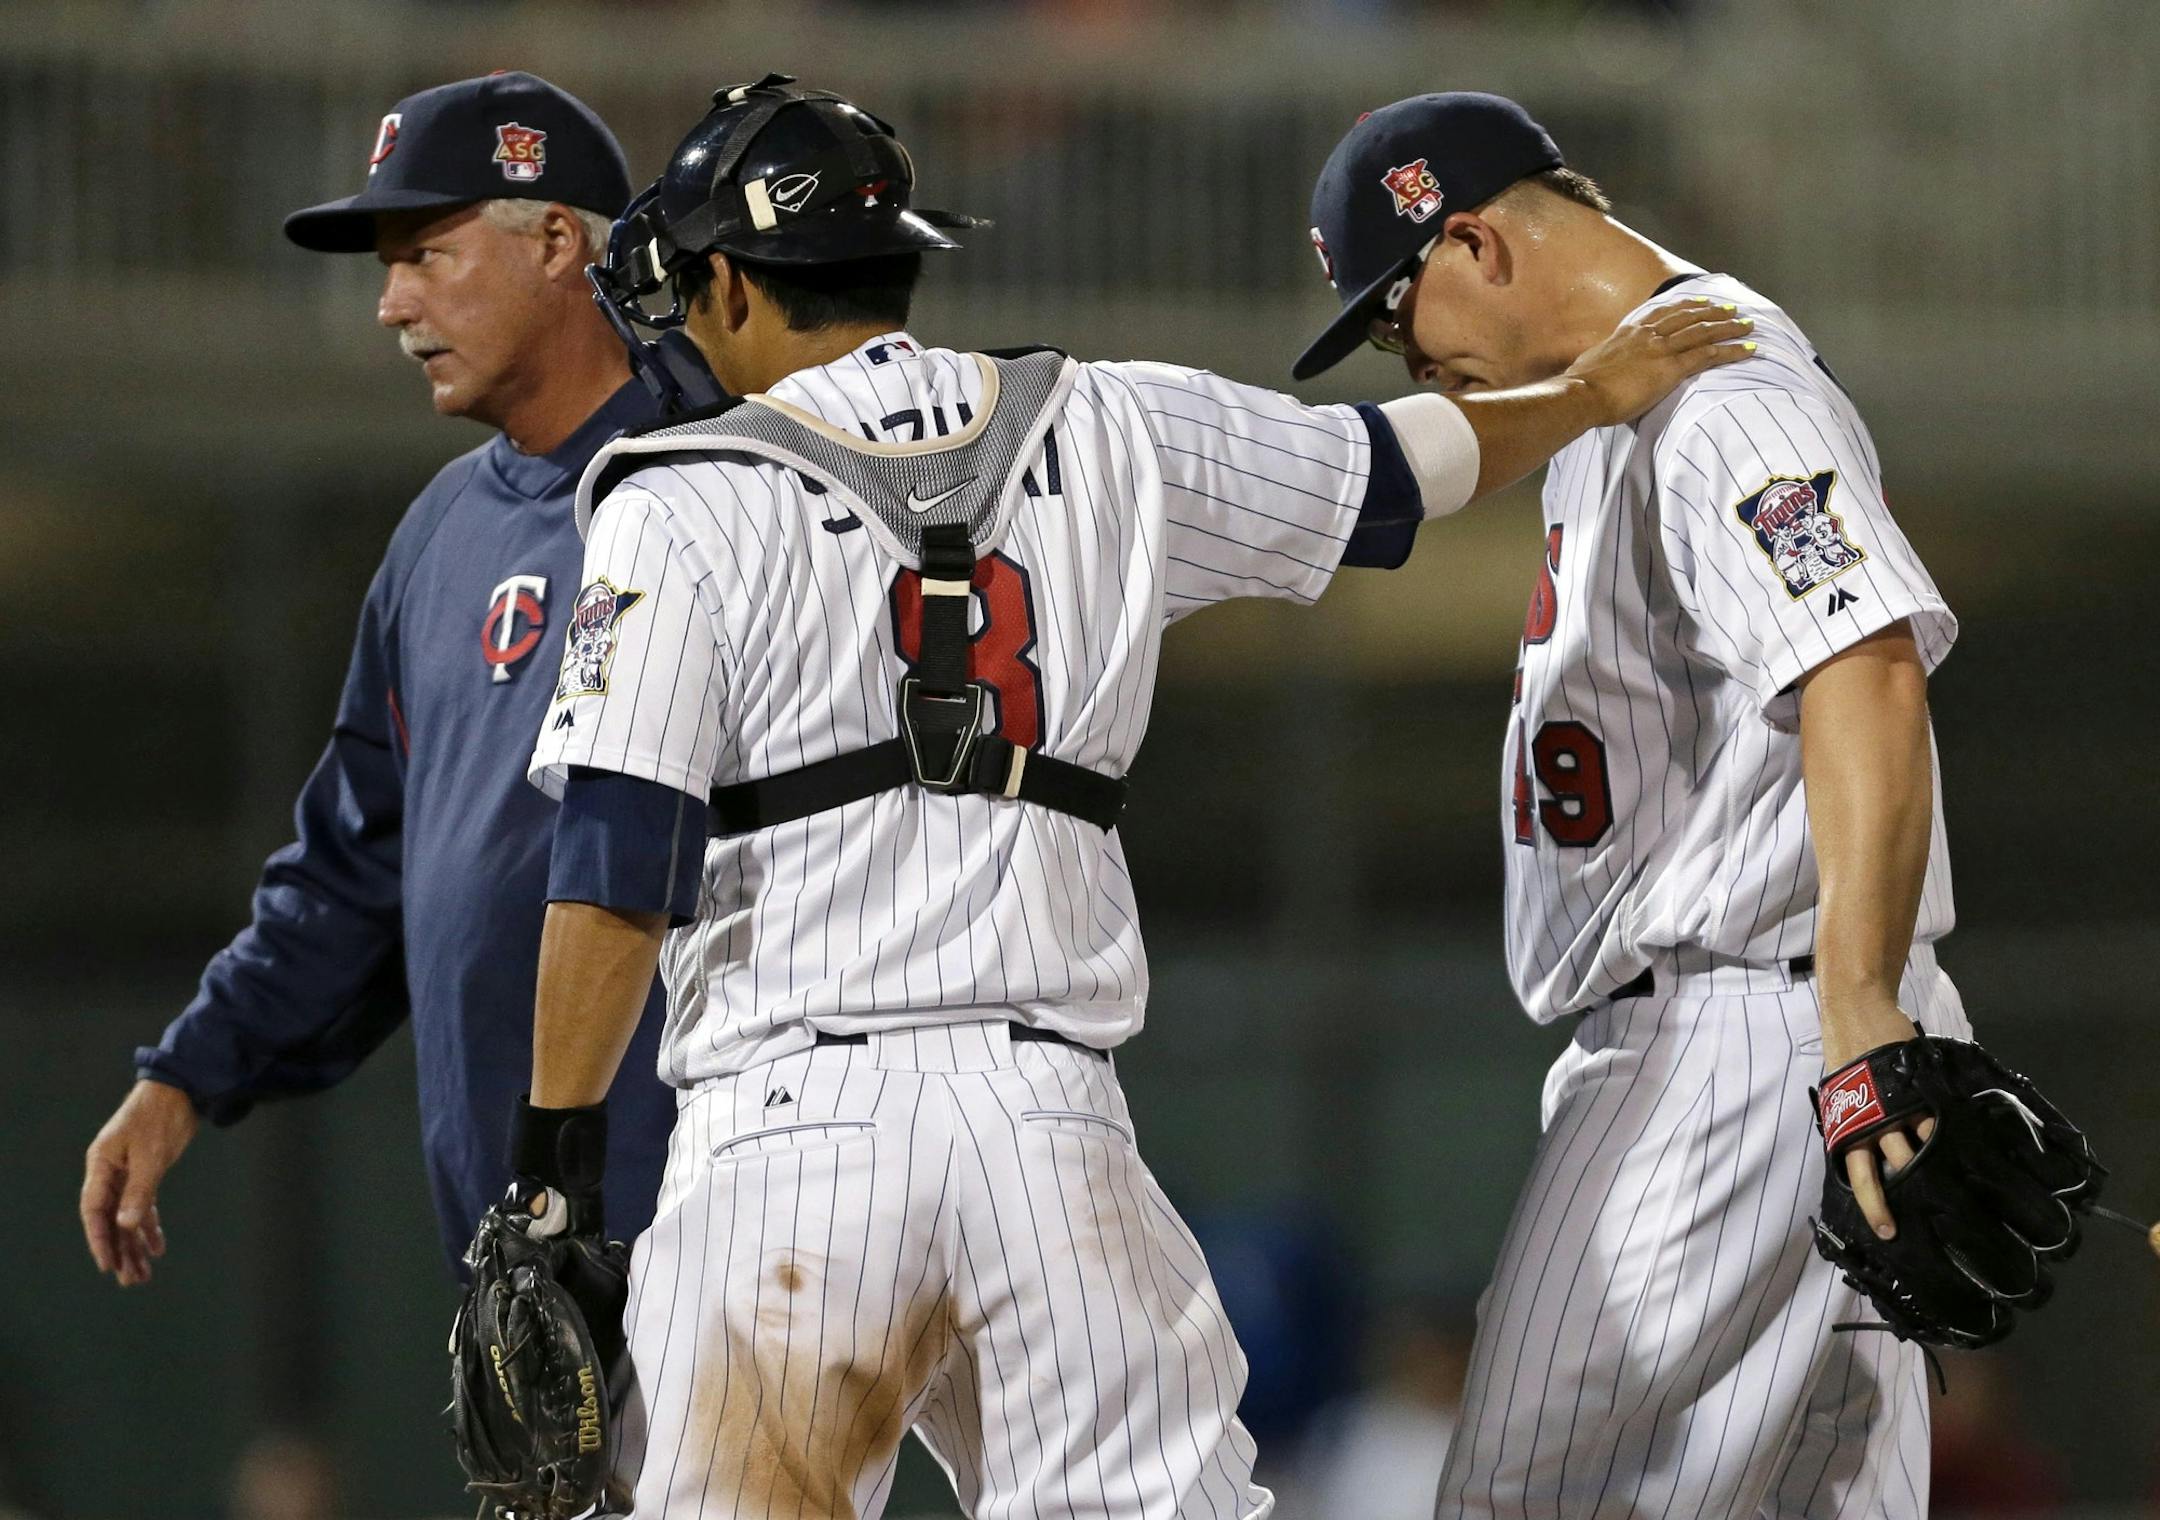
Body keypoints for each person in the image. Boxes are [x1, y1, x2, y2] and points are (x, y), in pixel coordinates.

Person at [498, 73, 1748, 1520]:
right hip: (1049, 1129)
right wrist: (1594, 393)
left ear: (722, 282)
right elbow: (1400, 473)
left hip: (792, 1131)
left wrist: (549, 1183)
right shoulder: (1107, 424)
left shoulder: (680, 493)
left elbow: (616, 865)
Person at [1295, 92, 1962, 1516]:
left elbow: (1866, 664)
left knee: (1524, 1502)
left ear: (1474, 238)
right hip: (1766, 1028)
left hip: (1737, 1040)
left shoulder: (1726, 392)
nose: (1407, 352)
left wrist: (1857, 1009)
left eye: (1396, 309)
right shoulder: (1629, 391)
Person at [79, 71, 695, 1283]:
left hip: (725, 1208)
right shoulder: (439, 535)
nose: (391, 304)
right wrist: (187, 1071)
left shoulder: (726, 487)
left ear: (559, 242)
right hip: (519, 1239)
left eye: (425, 253)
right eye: (385, 266)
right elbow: (358, 863)